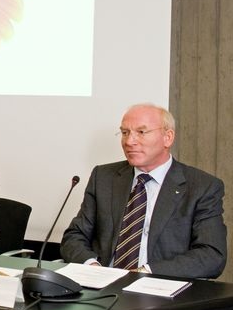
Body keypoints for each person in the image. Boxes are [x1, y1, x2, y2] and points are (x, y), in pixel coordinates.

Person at [61, 103, 227, 279]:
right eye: (125, 132)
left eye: (141, 132)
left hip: (160, 291)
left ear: (168, 137)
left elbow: (211, 256)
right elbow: (74, 236)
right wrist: (92, 266)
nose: (129, 141)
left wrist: (145, 272)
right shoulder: (103, 177)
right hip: (101, 287)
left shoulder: (202, 186)